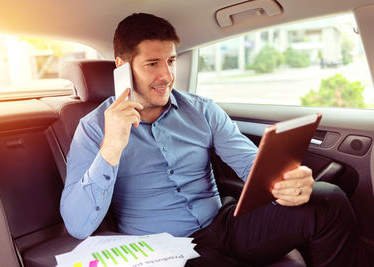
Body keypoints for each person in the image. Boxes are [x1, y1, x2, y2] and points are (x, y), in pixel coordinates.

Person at [60, 13, 367, 266]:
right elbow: (77, 224)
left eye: (171, 61)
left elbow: (251, 165)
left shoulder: (202, 110)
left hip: (225, 225)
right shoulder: (93, 129)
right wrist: (111, 146)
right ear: (122, 67)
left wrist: (286, 182)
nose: (166, 76)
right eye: (152, 64)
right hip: (166, 250)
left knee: (327, 198)